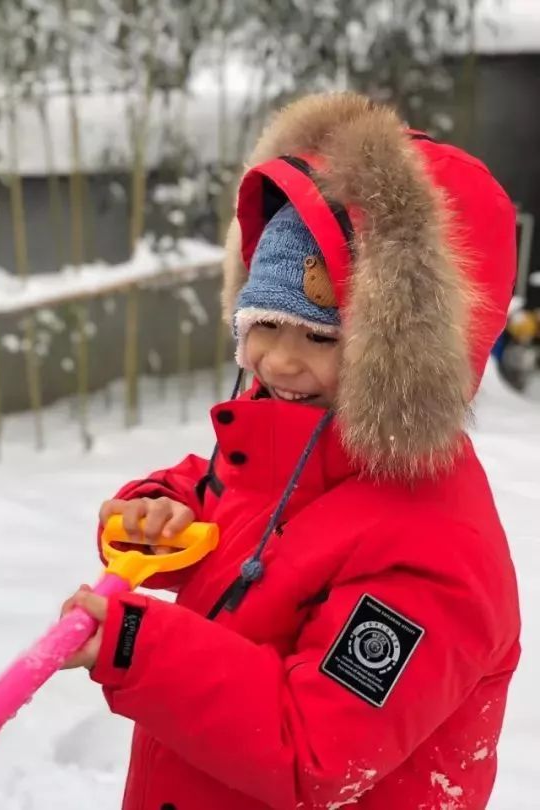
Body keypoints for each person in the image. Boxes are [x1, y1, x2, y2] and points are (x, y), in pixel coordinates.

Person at [62, 92, 521, 809]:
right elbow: (238, 498)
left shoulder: (435, 547)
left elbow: (318, 751)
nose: (276, 362)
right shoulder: (297, 448)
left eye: (319, 337)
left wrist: (137, 650)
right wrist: (166, 506)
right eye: (264, 323)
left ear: (401, 356)